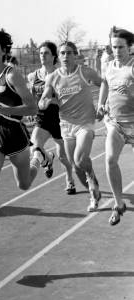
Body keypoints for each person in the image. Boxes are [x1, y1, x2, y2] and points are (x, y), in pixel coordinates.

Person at [0, 29, 53, 262]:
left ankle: (40, 156)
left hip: (15, 135)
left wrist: (4, 111)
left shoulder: (12, 75)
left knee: (24, 184)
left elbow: (32, 108)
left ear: (4, 51)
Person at [39, 41, 102, 212]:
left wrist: (103, 104)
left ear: (75, 55)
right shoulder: (52, 77)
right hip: (66, 125)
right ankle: (93, 191)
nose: (65, 56)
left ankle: (91, 179)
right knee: (74, 165)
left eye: (68, 53)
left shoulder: (85, 71)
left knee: (81, 159)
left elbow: (103, 84)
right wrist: (46, 101)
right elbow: (43, 99)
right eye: (62, 53)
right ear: (58, 57)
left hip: (85, 123)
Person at [96, 27, 134, 225]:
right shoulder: (109, 66)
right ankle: (119, 204)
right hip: (116, 123)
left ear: (130, 47)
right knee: (110, 160)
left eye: (120, 47)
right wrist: (101, 104)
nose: (117, 51)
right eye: (114, 47)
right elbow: (104, 83)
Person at [27, 41, 75, 193]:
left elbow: (68, 99)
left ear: (54, 56)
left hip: (60, 119)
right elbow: (32, 96)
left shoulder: (61, 75)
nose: (42, 56)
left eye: (46, 53)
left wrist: (52, 100)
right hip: (42, 119)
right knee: (34, 148)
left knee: (63, 156)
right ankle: (48, 158)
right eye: (41, 53)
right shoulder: (33, 76)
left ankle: (69, 180)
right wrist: (30, 110)